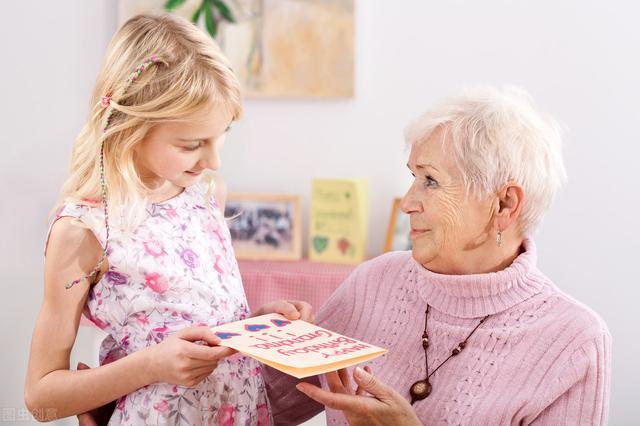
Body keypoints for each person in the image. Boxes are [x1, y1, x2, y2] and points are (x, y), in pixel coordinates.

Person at [23, 12, 310, 425]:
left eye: (223, 133)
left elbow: (195, 319)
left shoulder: (207, 195)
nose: (214, 159)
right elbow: (40, 398)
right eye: (192, 143)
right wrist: (150, 366)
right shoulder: (82, 231)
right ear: (130, 127)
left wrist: (250, 326)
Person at [267, 87, 611, 425]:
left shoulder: (575, 342)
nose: (407, 202)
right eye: (414, 177)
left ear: (505, 204)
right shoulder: (375, 282)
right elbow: (264, 409)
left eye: (430, 181)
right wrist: (259, 337)